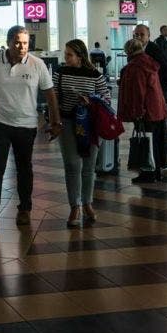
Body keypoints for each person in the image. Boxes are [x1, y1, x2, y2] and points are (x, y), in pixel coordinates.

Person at [0, 25, 61, 230]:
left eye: (25, 43)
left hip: (26, 126)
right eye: (17, 42)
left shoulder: (37, 65)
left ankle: (25, 209)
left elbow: (50, 94)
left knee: (24, 169)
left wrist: (56, 122)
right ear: (8, 42)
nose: (22, 47)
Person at [53, 39, 111, 227]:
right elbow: (53, 95)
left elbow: (106, 98)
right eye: (66, 54)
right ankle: (74, 205)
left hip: (91, 124)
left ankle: (87, 202)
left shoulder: (95, 75)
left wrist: (91, 101)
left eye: (69, 54)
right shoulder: (60, 73)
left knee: (89, 164)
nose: (66, 58)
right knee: (72, 163)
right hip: (68, 121)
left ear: (80, 56)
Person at [118, 38, 167, 183]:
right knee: (155, 142)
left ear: (129, 51)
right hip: (157, 109)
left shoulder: (136, 66)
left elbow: (139, 91)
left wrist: (138, 112)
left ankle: (148, 173)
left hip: (146, 111)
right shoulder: (148, 61)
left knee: (147, 142)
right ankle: (156, 171)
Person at [133, 24, 167, 104]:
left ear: (148, 35)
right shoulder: (135, 49)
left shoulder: (154, 49)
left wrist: (162, 90)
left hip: (155, 87)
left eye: (142, 34)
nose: (138, 37)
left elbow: (165, 68)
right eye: (136, 35)